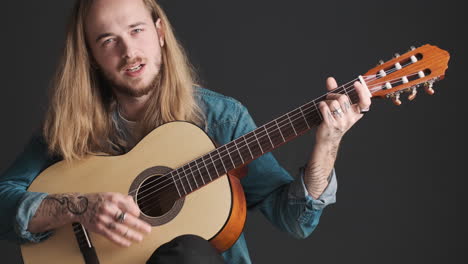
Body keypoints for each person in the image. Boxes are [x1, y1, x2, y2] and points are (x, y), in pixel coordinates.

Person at [0, 0, 372, 263]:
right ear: (91, 57)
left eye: (136, 30)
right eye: (108, 40)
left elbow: (293, 221)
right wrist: (79, 207)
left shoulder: (221, 118)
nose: (129, 51)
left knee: (189, 252)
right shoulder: (70, 126)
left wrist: (327, 144)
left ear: (159, 32)